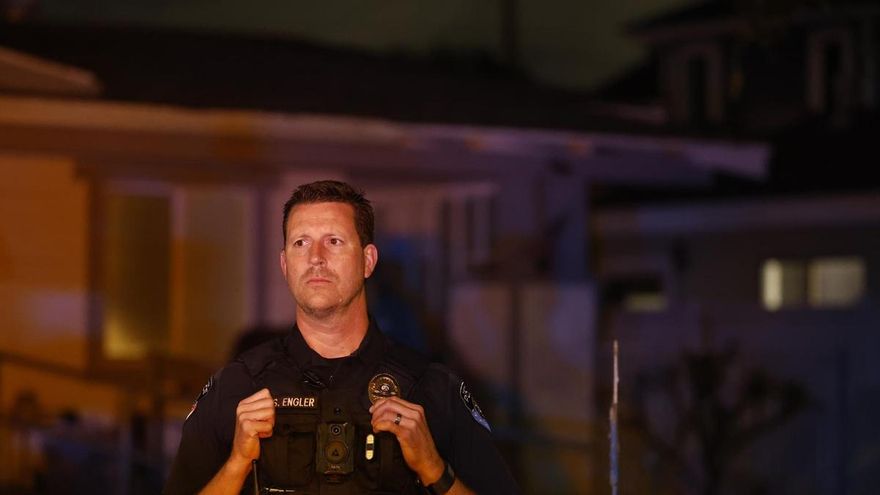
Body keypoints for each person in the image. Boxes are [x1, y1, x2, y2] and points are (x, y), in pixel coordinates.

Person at [164, 180, 519, 495]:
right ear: (285, 264)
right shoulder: (237, 387)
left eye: (333, 241)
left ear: (368, 260)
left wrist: (433, 469)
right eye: (301, 243)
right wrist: (237, 464)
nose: (315, 258)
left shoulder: (431, 389)